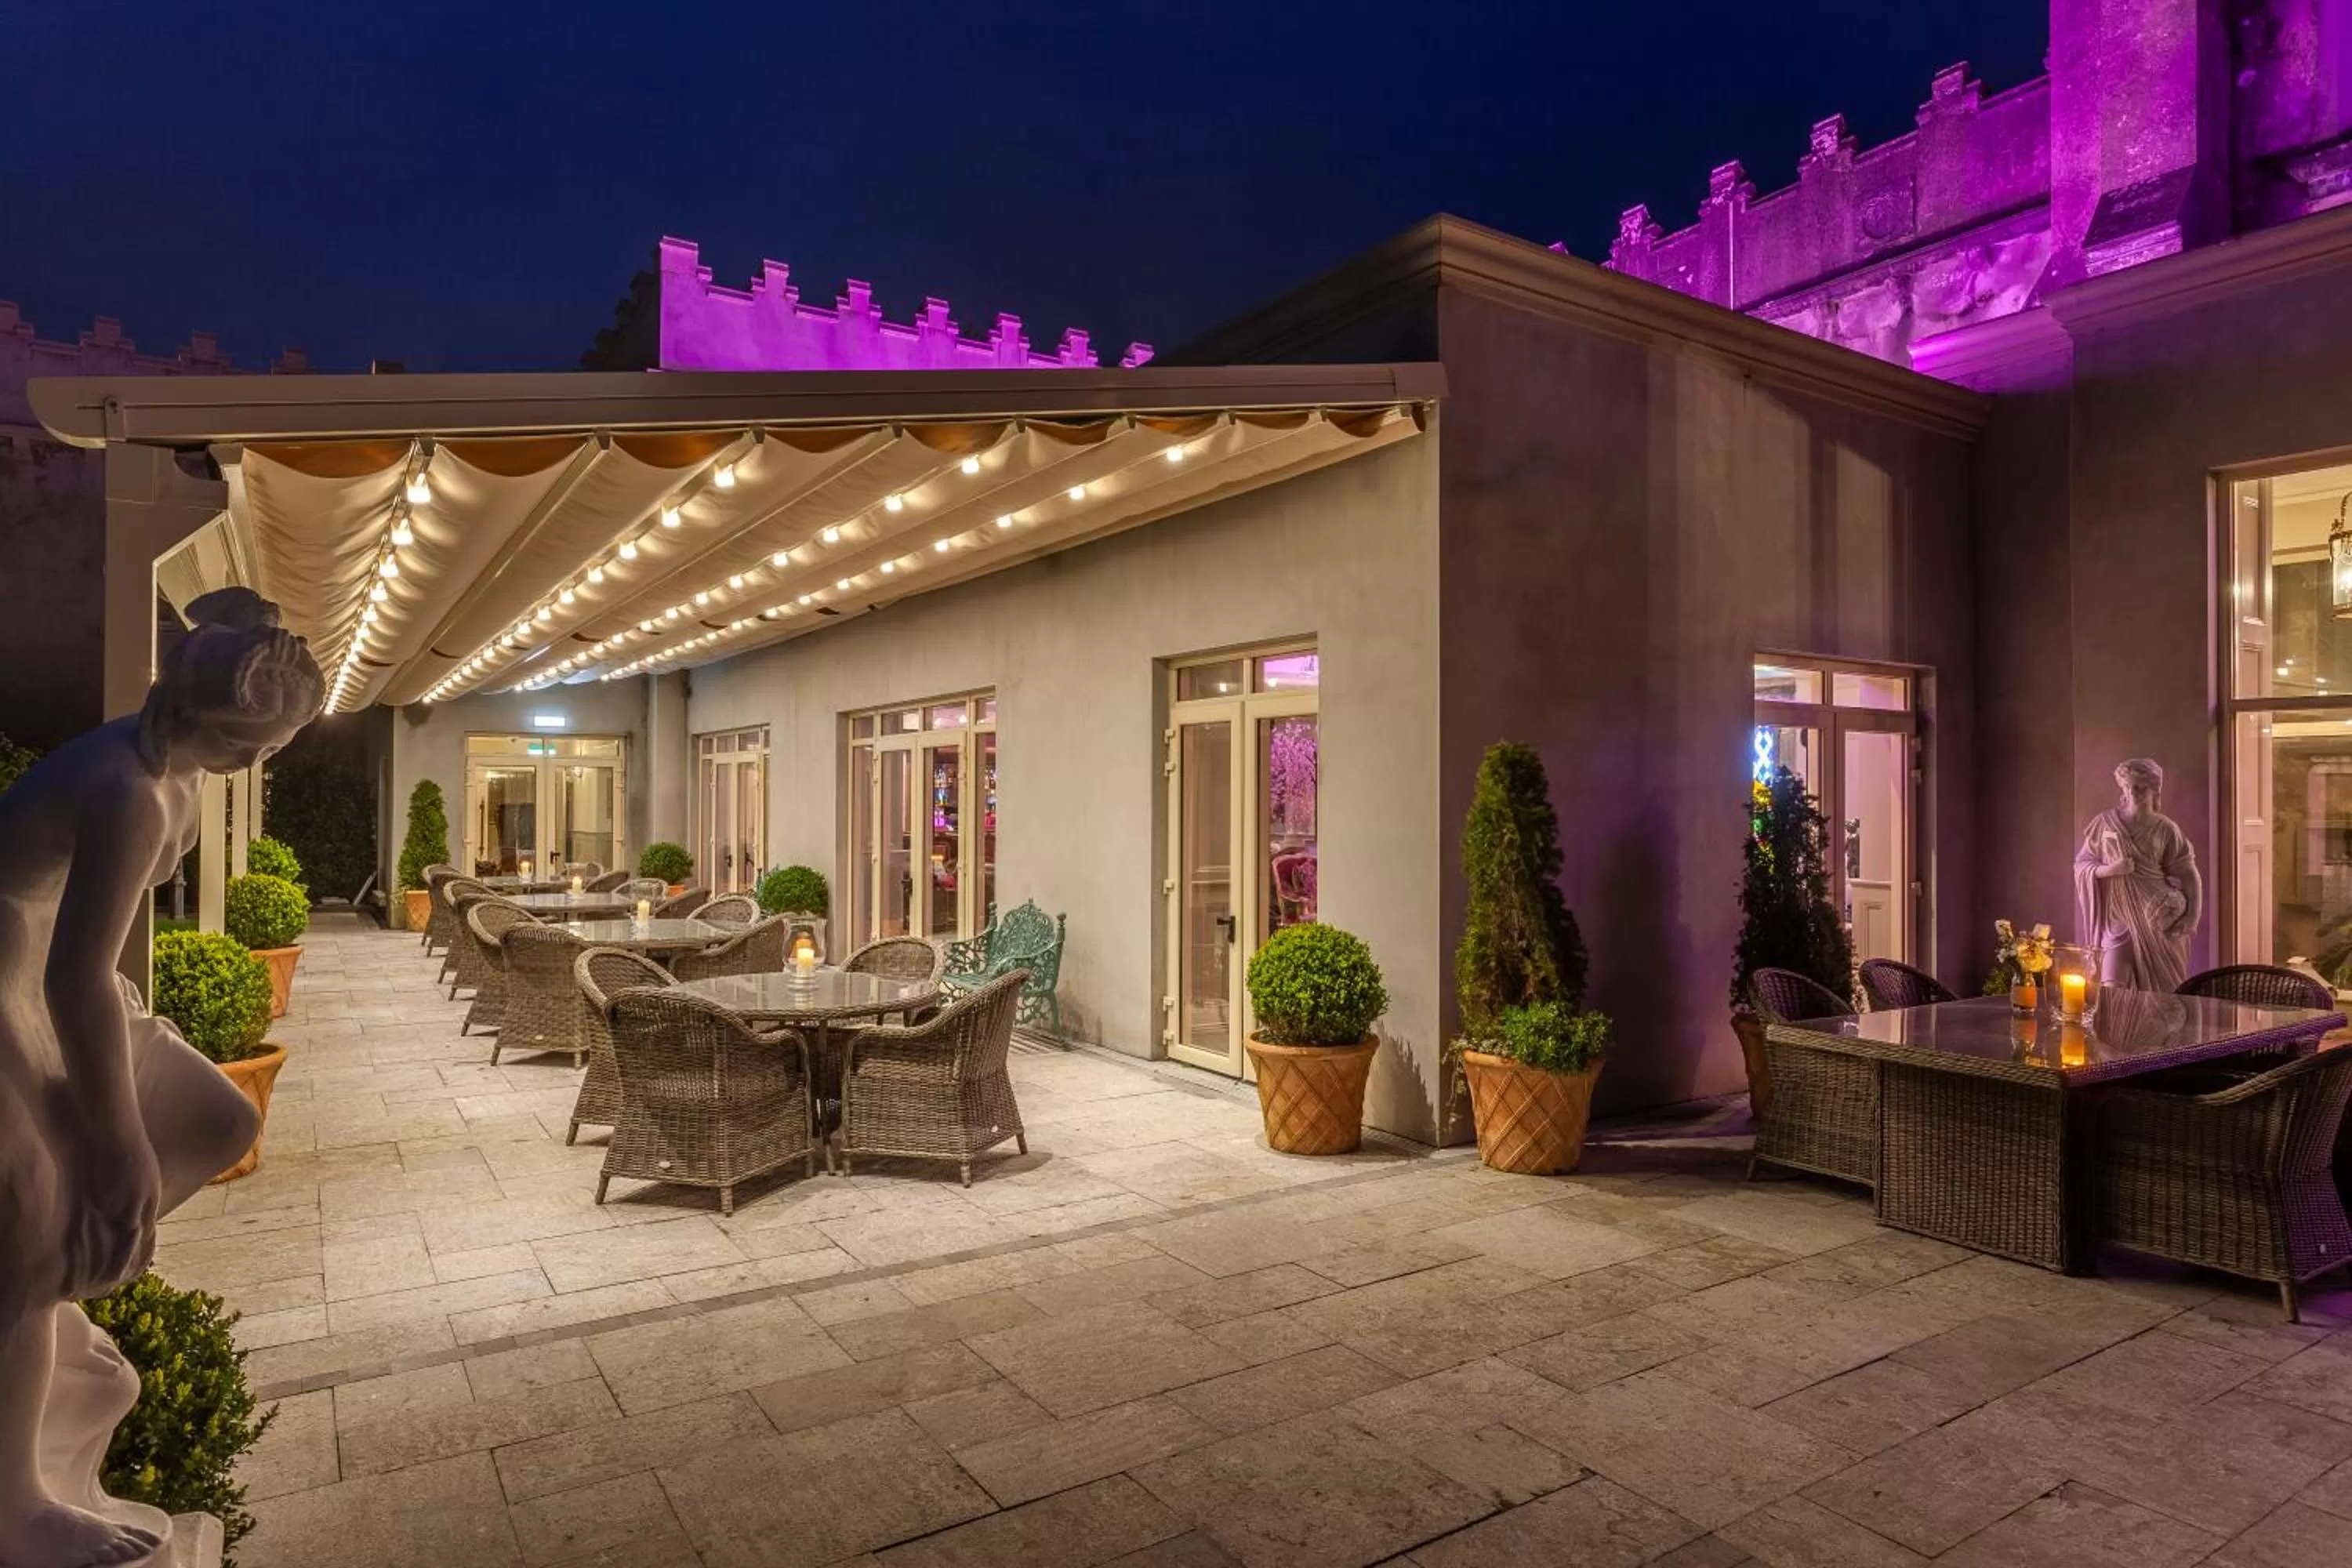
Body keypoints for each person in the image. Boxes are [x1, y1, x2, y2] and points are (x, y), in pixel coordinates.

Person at [0, 588, 321, 1568]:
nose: (252, 762)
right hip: (15, 986)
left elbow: (88, 964)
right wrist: (118, 1144)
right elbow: (74, 977)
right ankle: (16, 1501)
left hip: (59, 977)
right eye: (243, 741)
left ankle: (69, 1265)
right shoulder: (131, 788)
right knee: (31, 1224)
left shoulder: (174, 775)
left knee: (221, 1116)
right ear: (190, 707)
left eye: (271, 746)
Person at [2073, 757, 2203, 993]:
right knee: (2112, 986)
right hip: (2117, 921)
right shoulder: (2104, 823)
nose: (2132, 793)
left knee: (2162, 997)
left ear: (2154, 790)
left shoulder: (2166, 828)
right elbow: (2082, 865)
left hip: (2158, 920)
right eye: (2127, 786)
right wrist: (2111, 870)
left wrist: (2192, 917)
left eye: (2140, 788)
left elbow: (2189, 874)